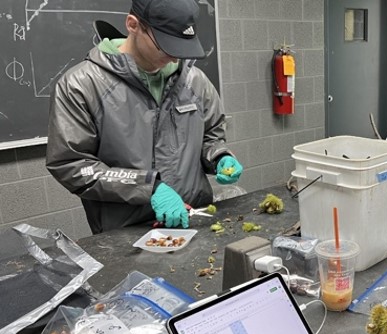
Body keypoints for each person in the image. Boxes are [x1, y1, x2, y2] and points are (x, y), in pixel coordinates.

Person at [46, 0, 243, 234]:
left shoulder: (195, 81)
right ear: (133, 25)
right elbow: (71, 164)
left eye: (181, 46)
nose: (173, 57)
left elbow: (212, 135)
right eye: (165, 45)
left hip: (194, 220)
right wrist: (148, 188)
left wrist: (218, 156)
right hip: (126, 234)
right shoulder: (81, 85)